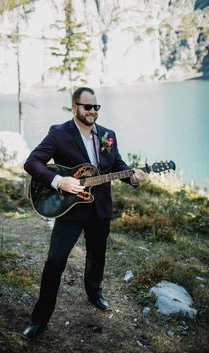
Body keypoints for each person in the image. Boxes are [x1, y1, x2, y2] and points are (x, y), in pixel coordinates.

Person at [22, 87, 145, 339]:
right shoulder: (59, 133)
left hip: (100, 210)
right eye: (87, 107)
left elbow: (118, 166)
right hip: (69, 209)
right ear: (74, 106)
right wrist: (59, 181)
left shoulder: (108, 135)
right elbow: (32, 162)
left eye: (96, 107)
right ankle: (39, 319)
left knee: (97, 255)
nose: (92, 112)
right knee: (55, 262)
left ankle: (94, 292)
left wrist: (133, 177)